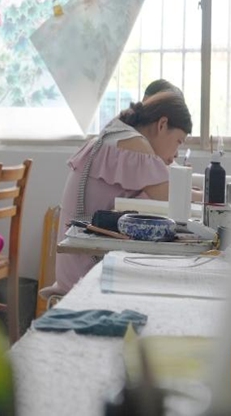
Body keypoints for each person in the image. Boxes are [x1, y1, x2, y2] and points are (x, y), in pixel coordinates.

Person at [42, 90, 193, 298]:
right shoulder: (135, 145)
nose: (176, 153)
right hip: (86, 271)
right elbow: (172, 196)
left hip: (76, 264)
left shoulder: (117, 133)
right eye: (179, 141)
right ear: (162, 125)